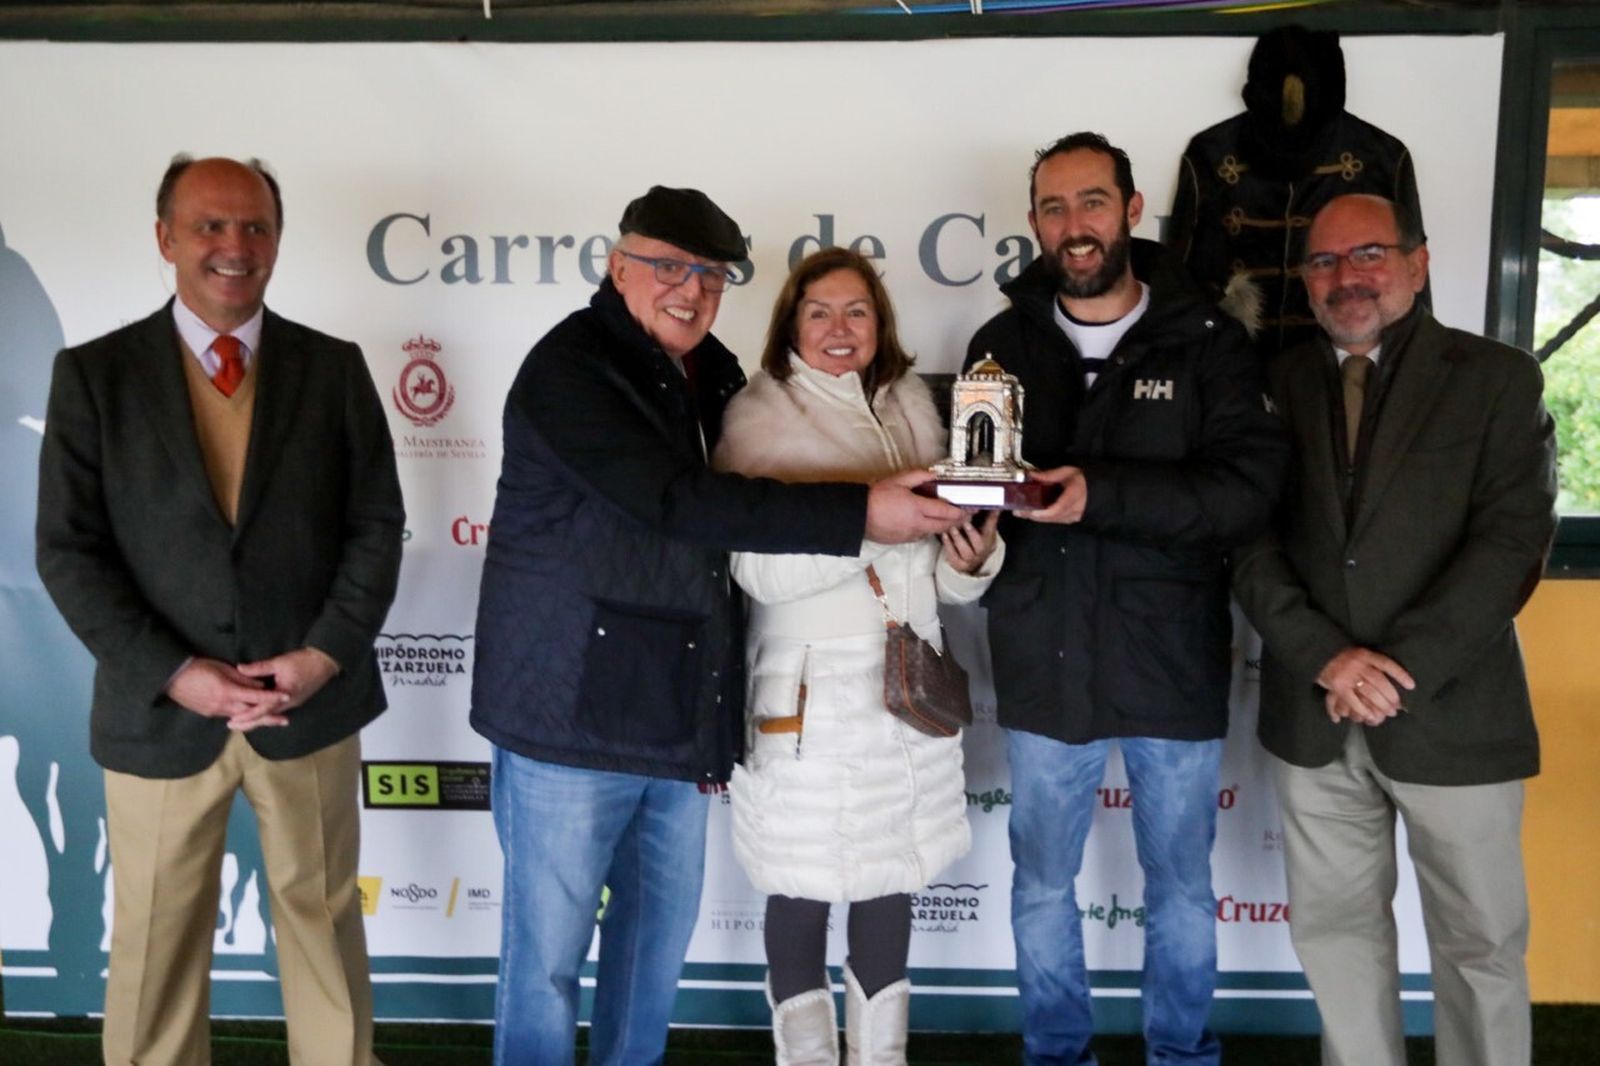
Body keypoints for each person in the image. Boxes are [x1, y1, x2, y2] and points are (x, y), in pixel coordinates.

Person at [470, 188, 964, 1066]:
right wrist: (862, 516)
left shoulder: (716, 374)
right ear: (618, 264)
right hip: (564, 720)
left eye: (709, 274)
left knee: (652, 960)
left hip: (670, 713)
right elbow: (677, 503)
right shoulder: (571, 368)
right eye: (668, 266)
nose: (689, 289)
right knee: (544, 967)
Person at [35, 155, 404, 1066]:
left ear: (277, 241)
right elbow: (67, 552)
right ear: (165, 238)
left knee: (323, 932)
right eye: (210, 226)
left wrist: (324, 655)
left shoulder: (335, 368)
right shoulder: (93, 376)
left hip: (307, 707)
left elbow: (377, 526)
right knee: (154, 949)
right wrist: (175, 671)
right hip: (159, 716)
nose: (234, 247)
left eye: (255, 227)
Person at [965, 132, 1287, 1066]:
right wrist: (973, 527)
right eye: (1056, 208)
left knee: (1181, 886)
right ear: (1034, 222)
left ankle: (1181, 1053)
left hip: (1171, 657)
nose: (1076, 226)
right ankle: (1054, 1053)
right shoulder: (1003, 342)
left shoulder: (1208, 338)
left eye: (1093, 203)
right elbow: (984, 483)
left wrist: (1099, 492)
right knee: (1038, 885)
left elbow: (1246, 491)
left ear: (1133, 211)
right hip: (1042, 652)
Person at [1232, 193, 1558, 1066]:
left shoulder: (1496, 378)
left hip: (1453, 713)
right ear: (1305, 281)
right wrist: (1327, 658)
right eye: (1327, 263)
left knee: (1480, 944)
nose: (1349, 278)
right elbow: (1249, 539)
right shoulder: (1275, 383)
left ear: (1417, 262)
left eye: (1369, 254)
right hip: (1316, 708)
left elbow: (1511, 544)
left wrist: (1397, 668)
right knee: (1337, 939)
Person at [711, 248, 1003, 1066]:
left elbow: (944, 581)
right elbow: (754, 569)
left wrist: (972, 558)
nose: (840, 330)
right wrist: (868, 522)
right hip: (808, 698)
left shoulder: (913, 404)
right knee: (799, 890)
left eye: (858, 312)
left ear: (881, 324)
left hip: (907, 693)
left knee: (888, 884)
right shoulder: (759, 415)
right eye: (820, 312)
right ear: (790, 324)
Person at [1167, 25, 1426, 361]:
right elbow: (1178, 277)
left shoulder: (1383, 157)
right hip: (1231, 366)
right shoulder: (1210, 153)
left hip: (1347, 360)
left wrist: (1414, 367)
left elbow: (1411, 277)